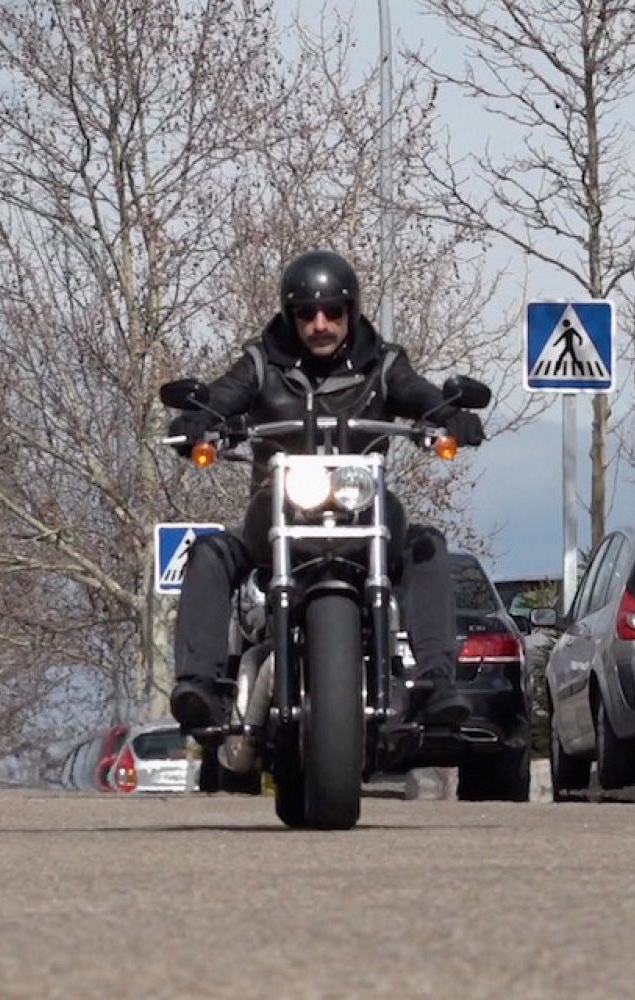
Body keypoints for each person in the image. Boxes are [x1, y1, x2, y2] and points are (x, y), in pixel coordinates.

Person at [164, 249, 486, 733]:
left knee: (426, 545)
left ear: (350, 311)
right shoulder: (261, 362)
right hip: (277, 511)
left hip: (364, 511)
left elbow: (417, 392)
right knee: (209, 551)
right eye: (306, 313)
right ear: (289, 315)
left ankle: (436, 683)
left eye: (332, 311)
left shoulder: (382, 363)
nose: (320, 324)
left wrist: (448, 414)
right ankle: (200, 687)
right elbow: (224, 394)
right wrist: (199, 418)